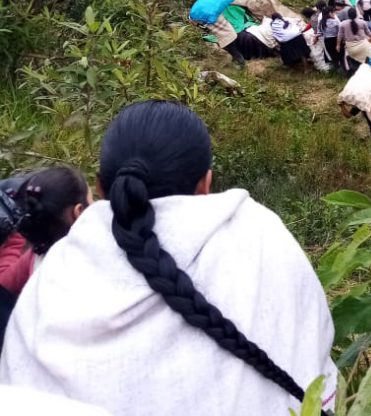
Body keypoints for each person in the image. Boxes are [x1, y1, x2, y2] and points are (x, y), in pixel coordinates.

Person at [0, 101, 336, 415]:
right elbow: (313, 347)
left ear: (101, 188)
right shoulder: (260, 232)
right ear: (206, 183)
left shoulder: (51, 280)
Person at [0, 167, 91, 304]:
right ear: (78, 212)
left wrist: (17, 235)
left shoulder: (34, 258)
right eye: (92, 201)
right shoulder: (94, 255)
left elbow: (3, 283)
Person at [319, 4, 342, 70]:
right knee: (340, 54)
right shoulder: (335, 22)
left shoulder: (321, 22)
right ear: (330, 13)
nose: (335, 14)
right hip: (336, 40)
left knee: (333, 55)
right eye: (334, 12)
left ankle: (336, 68)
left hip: (327, 41)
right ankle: (343, 69)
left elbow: (320, 32)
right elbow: (340, 33)